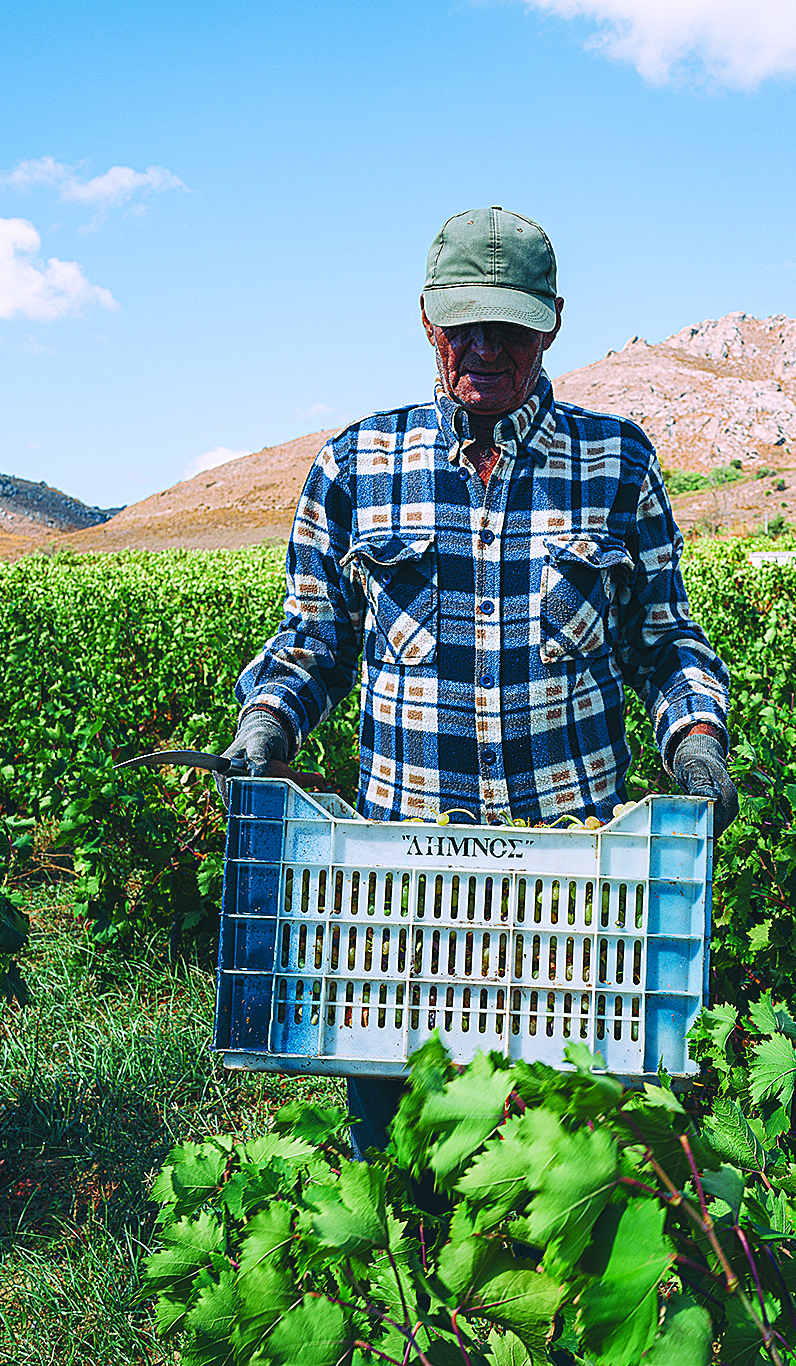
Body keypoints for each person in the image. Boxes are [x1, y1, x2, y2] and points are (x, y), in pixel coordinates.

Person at [222, 206, 736, 1155]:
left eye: (511, 326)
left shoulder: (615, 463)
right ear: (427, 321)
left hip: (576, 877)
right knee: (400, 1142)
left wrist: (696, 741)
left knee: (565, 1155)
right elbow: (311, 641)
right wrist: (266, 725)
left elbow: (663, 643)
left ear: (551, 324)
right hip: (400, 876)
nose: (486, 347)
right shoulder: (355, 465)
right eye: (465, 325)